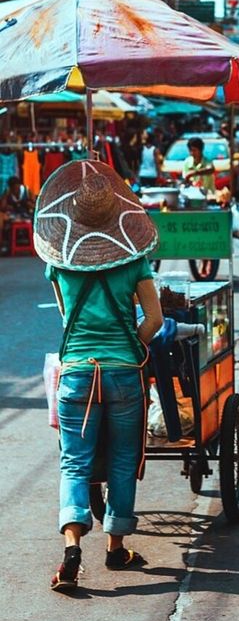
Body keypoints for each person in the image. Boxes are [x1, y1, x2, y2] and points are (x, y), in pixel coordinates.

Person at [35, 159, 163, 593]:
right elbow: (155, 320)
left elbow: (66, 317)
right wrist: (135, 344)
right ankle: (116, 546)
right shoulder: (136, 263)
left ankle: (72, 546)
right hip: (124, 373)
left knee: (74, 462)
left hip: (76, 374)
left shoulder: (60, 263)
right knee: (125, 460)